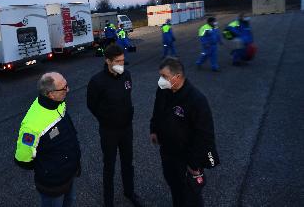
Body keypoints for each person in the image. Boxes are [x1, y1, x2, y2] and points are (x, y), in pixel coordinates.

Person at [150, 57, 220, 207]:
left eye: (164, 77)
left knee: (190, 196)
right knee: (174, 187)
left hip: (186, 159)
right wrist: (154, 129)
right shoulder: (163, 91)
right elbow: (157, 111)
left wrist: (194, 165)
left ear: (178, 77)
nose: (161, 81)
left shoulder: (196, 100)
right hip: (168, 152)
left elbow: (205, 136)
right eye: (160, 76)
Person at [87, 44, 142, 207]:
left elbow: (127, 98)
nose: (121, 64)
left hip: (126, 129)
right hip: (109, 131)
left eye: (123, 61)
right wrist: (106, 119)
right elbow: (91, 105)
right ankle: (108, 201)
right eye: (117, 61)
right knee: (109, 166)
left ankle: (129, 192)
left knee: (127, 163)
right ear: (108, 61)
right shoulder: (97, 81)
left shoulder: (127, 76)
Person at [15, 72, 81, 207]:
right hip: (53, 185)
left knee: (70, 202)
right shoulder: (32, 126)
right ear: (50, 94)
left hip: (69, 174)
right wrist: (48, 168)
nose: (68, 90)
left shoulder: (59, 103)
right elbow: (22, 159)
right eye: (64, 88)